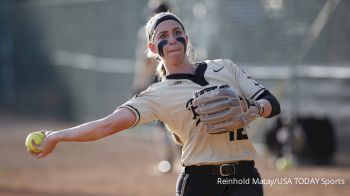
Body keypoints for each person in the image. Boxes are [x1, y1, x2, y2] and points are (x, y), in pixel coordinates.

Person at [28, 12, 280, 196]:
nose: (172, 39)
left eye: (177, 33)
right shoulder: (157, 94)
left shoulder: (225, 68)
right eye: (163, 36)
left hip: (245, 178)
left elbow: (271, 103)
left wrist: (253, 109)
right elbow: (107, 126)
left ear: (186, 39)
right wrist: (57, 136)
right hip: (200, 183)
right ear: (152, 47)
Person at [133, 1, 181, 173]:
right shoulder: (179, 28)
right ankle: (181, 161)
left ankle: (169, 161)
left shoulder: (146, 32)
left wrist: (139, 84)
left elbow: (145, 61)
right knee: (178, 119)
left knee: (162, 123)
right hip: (178, 76)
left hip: (159, 78)